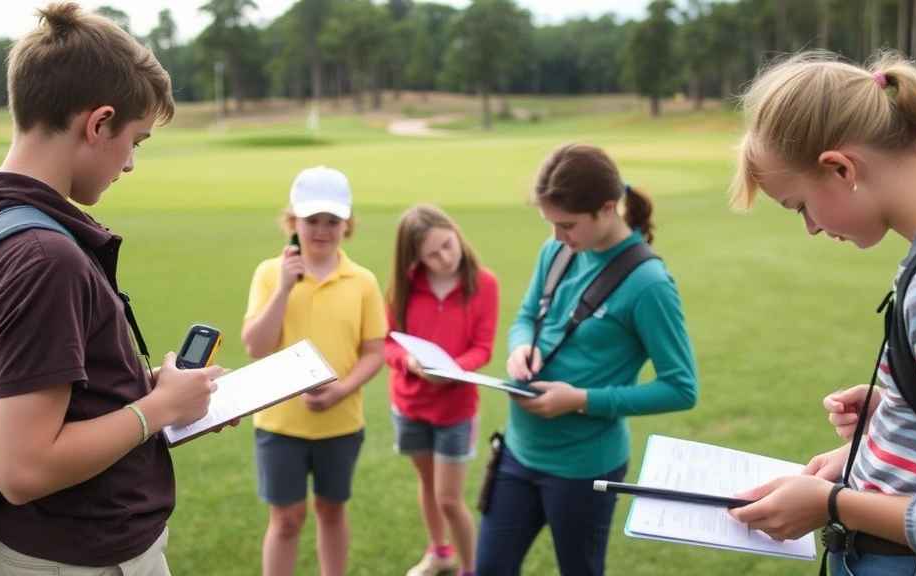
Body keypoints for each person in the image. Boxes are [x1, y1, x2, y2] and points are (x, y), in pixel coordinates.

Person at [727, 50, 916, 574]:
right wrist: (904, 409)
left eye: (800, 205)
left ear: (841, 167)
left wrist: (832, 504)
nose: (811, 228)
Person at [0, 3, 225, 575]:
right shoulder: (45, 259)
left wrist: (152, 390)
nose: (131, 163)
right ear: (98, 124)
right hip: (78, 555)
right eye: (135, 140)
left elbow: (28, 383)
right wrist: (159, 408)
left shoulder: (0, 217)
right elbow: (24, 469)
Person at [475, 143, 699, 576]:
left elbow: (681, 388)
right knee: (490, 568)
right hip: (518, 451)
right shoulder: (556, 250)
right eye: (551, 224)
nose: (558, 237)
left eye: (567, 225)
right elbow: (527, 316)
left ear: (607, 208)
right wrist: (521, 347)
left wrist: (579, 400)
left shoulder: (649, 283)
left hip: (583, 468)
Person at [241, 165, 387, 576]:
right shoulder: (270, 273)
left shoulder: (363, 281)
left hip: (341, 423)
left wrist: (341, 390)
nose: (322, 230)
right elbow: (256, 346)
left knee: (331, 510)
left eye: (333, 221)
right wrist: (285, 288)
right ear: (293, 221)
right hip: (280, 423)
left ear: (347, 224)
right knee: (286, 519)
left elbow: (374, 352)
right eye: (312, 220)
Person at [384, 204, 499, 576]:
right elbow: (387, 344)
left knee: (449, 498)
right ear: (416, 257)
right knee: (427, 483)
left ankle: (469, 568)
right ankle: (439, 552)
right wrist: (410, 362)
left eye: (448, 245)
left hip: (456, 409)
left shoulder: (484, 284)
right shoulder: (403, 287)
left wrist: (452, 371)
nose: (446, 258)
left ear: (457, 234)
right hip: (410, 404)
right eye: (432, 254)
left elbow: (483, 348)